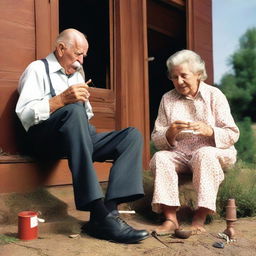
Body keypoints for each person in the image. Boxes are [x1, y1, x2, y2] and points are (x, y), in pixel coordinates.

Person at [15, 28, 149, 243]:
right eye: (77, 54)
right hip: (45, 139)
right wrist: (60, 100)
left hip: (76, 138)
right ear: (60, 49)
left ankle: (109, 212)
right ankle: (97, 210)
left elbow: (84, 118)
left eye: (84, 56)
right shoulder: (37, 69)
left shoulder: (77, 75)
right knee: (74, 110)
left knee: (131, 136)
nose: (81, 61)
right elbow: (25, 114)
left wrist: (81, 110)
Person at [150, 49, 239, 235]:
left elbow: (232, 133)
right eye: (174, 77)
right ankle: (170, 219)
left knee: (203, 153)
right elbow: (157, 139)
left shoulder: (215, 95)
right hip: (181, 154)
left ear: (198, 74)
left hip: (212, 151)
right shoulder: (168, 99)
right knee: (160, 158)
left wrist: (211, 131)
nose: (179, 81)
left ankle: (200, 216)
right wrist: (169, 133)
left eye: (184, 75)